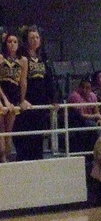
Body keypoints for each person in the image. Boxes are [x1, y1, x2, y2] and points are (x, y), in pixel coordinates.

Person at [15, 25, 57, 161]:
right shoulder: (21, 57)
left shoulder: (43, 58)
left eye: (37, 37)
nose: (35, 40)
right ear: (26, 40)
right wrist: (22, 99)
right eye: (32, 37)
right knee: (25, 137)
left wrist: (53, 98)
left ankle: (38, 161)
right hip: (27, 103)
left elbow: (49, 80)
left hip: (40, 103)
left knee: (38, 138)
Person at [0, 32, 29, 162]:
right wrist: (4, 100)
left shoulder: (23, 60)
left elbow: (23, 82)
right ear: (5, 44)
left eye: (15, 42)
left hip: (14, 94)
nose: (12, 44)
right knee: (1, 128)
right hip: (2, 93)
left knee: (9, 131)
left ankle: (7, 156)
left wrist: (22, 100)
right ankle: (2, 156)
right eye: (9, 41)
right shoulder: (1, 58)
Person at [67, 77, 101, 153]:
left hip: (90, 120)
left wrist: (99, 120)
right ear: (79, 87)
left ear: (91, 88)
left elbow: (97, 111)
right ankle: (100, 151)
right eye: (82, 87)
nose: (84, 90)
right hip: (78, 121)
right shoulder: (75, 96)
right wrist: (96, 116)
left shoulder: (93, 96)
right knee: (93, 126)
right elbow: (81, 115)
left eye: (87, 88)